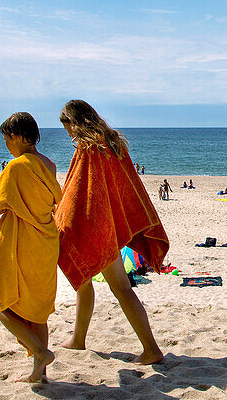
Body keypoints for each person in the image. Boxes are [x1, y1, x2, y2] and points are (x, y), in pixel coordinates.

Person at [55, 100, 169, 365]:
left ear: (76, 122)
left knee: (107, 285)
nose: (69, 134)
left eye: (68, 127)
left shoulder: (89, 148)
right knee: (113, 288)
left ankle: (151, 349)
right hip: (108, 227)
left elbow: (79, 191)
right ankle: (78, 339)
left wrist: (64, 219)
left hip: (95, 228)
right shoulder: (113, 144)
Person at [0, 112, 61, 383]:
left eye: (7, 139)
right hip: (46, 241)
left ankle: (40, 353)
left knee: (0, 303)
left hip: (19, 240)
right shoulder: (49, 164)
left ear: (16, 136)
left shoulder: (16, 167)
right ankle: (40, 375)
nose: (6, 144)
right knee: (39, 311)